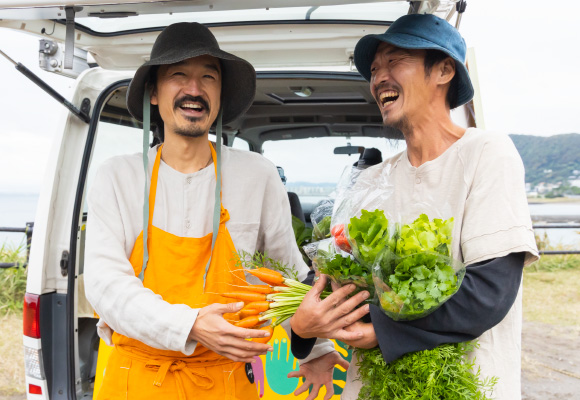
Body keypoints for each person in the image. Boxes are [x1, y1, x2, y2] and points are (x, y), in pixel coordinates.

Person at [85, 22, 367, 400]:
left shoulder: (256, 175)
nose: (194, 89)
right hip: (133, 377)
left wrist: (316, 348)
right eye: (178, 75)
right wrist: (191, 325)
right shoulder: (117, 176)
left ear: (220, 93)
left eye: (208, 77)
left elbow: (287, 273)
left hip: (225, 381)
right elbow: (105, 284)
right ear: (154, 92)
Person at [290, 13, 538, 400]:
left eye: (394, 62)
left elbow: (488, 293)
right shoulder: (372, 180)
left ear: (443, 70)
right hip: (372, 388)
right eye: (374, 69)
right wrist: (302, 329)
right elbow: (333, 273)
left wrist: (380, 333)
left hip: (464, 385)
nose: (378, 78)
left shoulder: (486, 154)